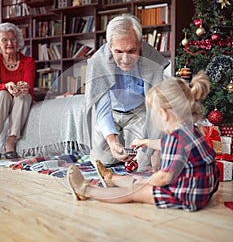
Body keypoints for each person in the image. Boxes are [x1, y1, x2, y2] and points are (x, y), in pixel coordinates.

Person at [67, 71, 219, 212]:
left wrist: (143, 184)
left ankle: (85, 190)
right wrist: (146, 142)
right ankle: (111, 177)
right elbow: (168, 146)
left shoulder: (176, 138)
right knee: (139, 180)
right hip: (201, 188)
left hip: (186, 195)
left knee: (135, 190)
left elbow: (164, 177)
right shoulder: (188, 130)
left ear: (164, 114)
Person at [84, 14, 170, 168]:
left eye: (132, 50)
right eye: (118, 51)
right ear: (110, 46)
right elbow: (102, 110)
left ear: (140, 43)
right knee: (102, 160)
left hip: (139, 113)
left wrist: (153, 141)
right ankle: (120, 145)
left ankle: (128, 144)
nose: (125, 59)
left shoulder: (152, 60)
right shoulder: (98, 62)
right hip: (112, 112)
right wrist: (112, 142)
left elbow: (156, 107)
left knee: (142, 163)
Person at [0, 22, 36, 159]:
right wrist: (5, 86)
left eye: (13, 39)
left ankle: (10, 141)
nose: (9, 43)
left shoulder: (28, 61)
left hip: (21, 100)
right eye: (4, 40)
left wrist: (24, 87)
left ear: (18, 42)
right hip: (3, 98)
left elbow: (29, 86)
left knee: (24, 96)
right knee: (2, 94)